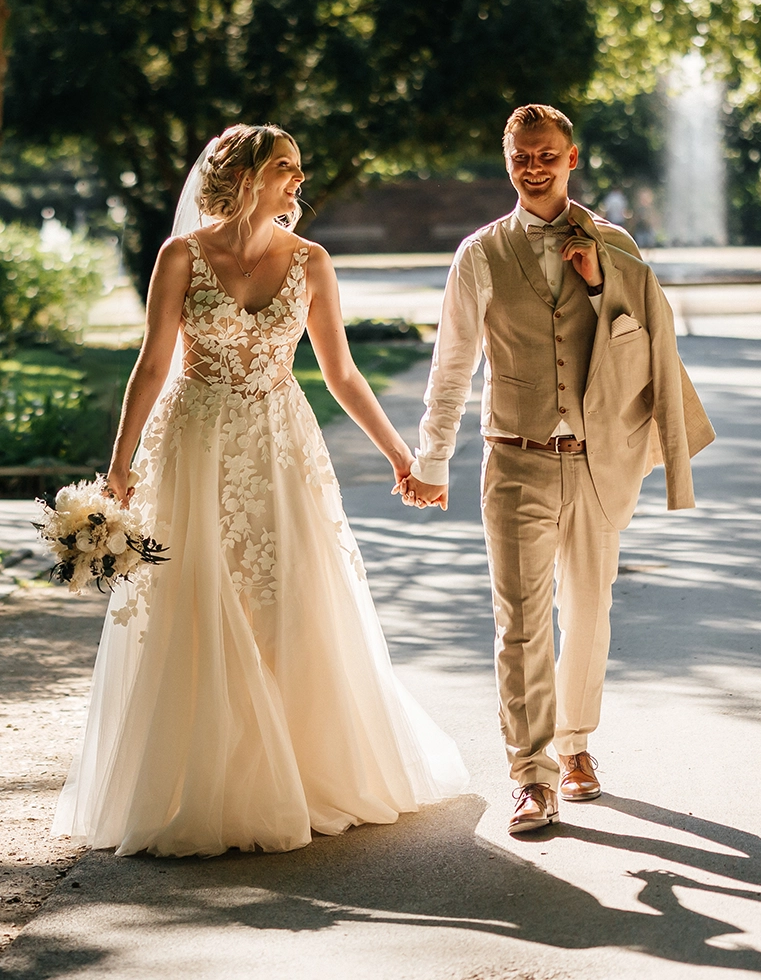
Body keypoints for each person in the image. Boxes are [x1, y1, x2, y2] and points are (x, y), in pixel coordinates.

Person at [53, 123, 467, 858]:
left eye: (299, 169)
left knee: (287, 598)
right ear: (244, 176)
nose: (297, 181)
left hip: (279, 446)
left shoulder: (311, 261)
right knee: (195, 602)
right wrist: (119, 464)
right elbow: (152, 364)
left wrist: (404, 457)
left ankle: (297, 774)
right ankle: (197, 782)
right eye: (285, 168)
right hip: (192, 443)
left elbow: (340, 373)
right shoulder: (180, 256)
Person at [400, 104, 713, 836]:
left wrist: (601, 285)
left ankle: (577, 747)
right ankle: (531, 774)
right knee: (520, 625)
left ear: (572, 159)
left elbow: (651, 337)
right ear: (506, 160)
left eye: (546, 154)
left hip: (600, 462)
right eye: (520, 155)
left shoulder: (617, 243)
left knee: (591, 613)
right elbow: (451, 368)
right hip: (515, 460)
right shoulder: (479, 253)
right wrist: (433, 459)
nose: (533, 166)